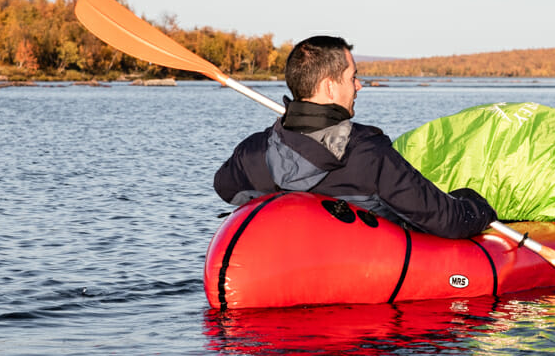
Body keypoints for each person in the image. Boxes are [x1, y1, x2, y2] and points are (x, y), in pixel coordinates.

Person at [213, 35, 497, 239]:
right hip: (361, 281)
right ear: (329, 87)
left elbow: (224, 187)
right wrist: (478, 205)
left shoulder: (251, 151)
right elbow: (446, 220)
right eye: (352, 77)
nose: (359, 85)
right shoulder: (367, 153)